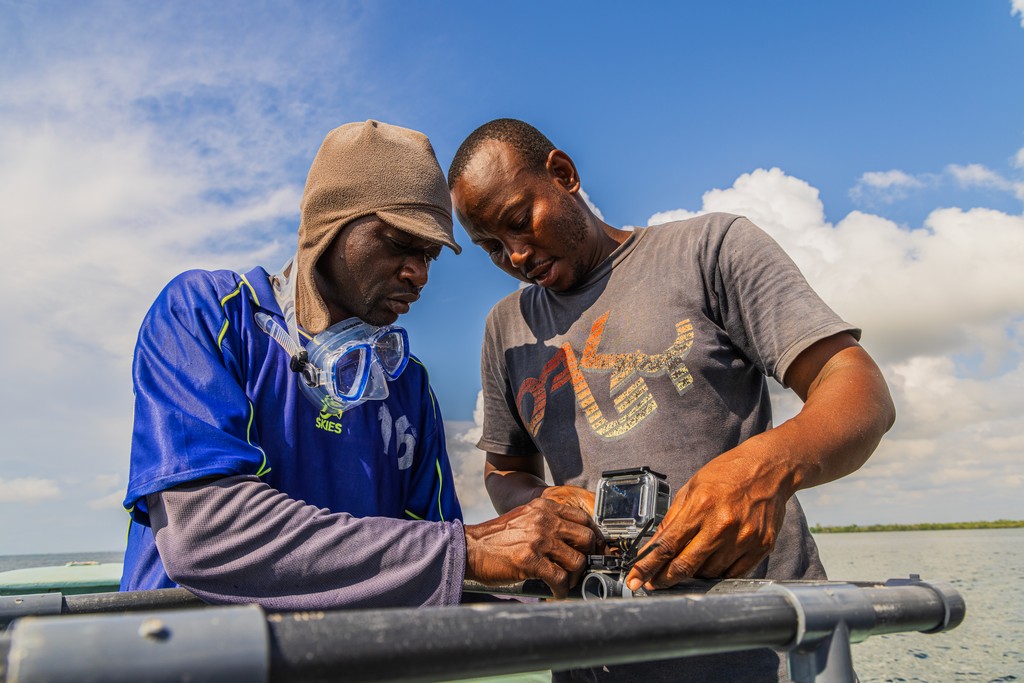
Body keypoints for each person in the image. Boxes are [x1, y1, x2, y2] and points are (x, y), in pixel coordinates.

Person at [448, 118, 896, 681]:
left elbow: (859, 387)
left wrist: (763, 469)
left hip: (763, 645)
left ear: (563, 175)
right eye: (491, 246)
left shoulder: (709, 248)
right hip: (593, 656)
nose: (514, 255)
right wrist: (545, 507)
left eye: (519, 222)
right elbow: (504, 469)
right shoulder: (506, 328)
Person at [120, 119, 597, 610]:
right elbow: (206, 534)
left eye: (430, 255)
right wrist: (469, 548)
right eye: (399, 242)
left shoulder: (407, 385)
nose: (420, 275)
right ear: (329, 222)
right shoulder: (204, 313)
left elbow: (440, 571)